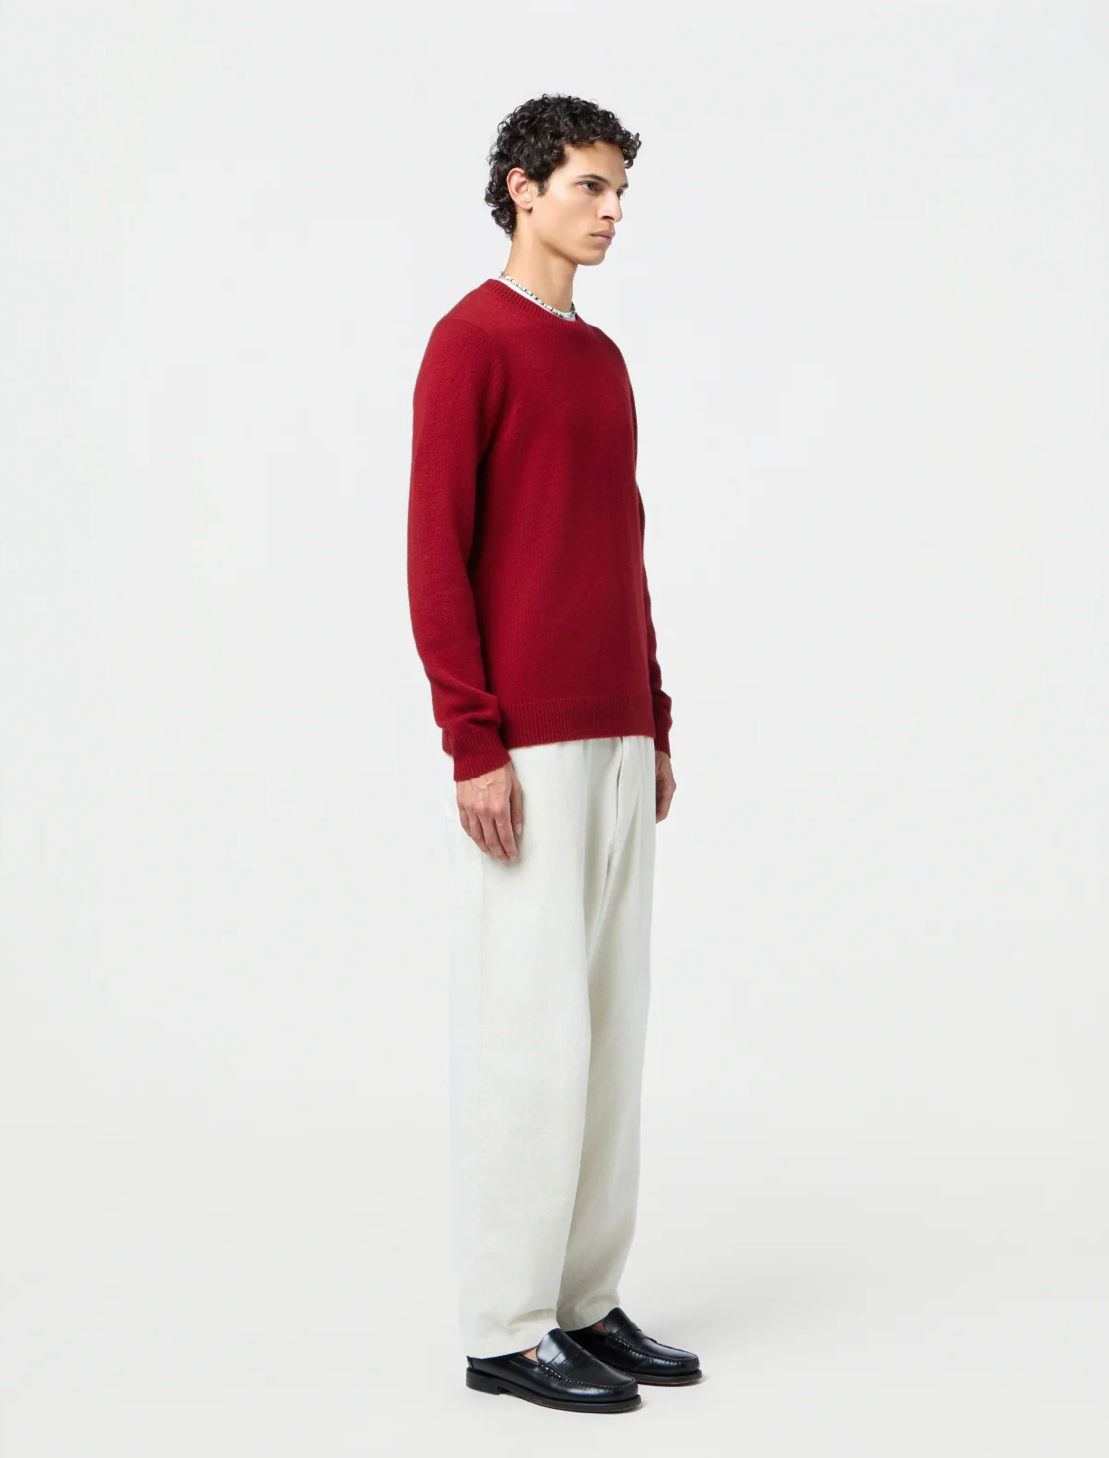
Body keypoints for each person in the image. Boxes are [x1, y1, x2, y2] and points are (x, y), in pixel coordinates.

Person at [406, 93, 701, 1415]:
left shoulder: (603, 360)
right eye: (590, 185)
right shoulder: (470, 343)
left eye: (621, 190)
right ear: (523, 188)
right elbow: (436, 552)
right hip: (523, 743)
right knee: (529, 1035)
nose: (613, 211)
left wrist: (656, 713)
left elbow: (619, 544)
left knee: (610, 1032)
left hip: (618, 733)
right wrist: (472, 738)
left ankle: (585, 1300)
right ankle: (506, 1326)